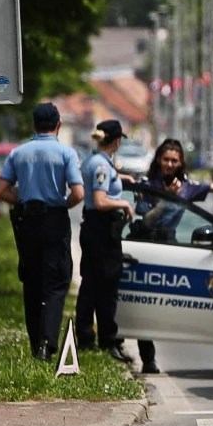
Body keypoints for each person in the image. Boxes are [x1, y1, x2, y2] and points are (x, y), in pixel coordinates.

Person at [133, 138, 213, 374]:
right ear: (159, 159)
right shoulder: (147, 185)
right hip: (147, 244)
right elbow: (145, 220)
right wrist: (165, 199)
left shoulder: (185, 186)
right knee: (146, 305)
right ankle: (148, 358)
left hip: (170, 245)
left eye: (174, 161)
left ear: (180, 164)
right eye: (166, 159)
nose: (169, 164)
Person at [0, 102, 85, 362]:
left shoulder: (18, 153)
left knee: (31, 280)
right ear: (58, 125)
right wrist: (62, 204)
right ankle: (47, 342)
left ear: (34, 125)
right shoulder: (66, 153)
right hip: (54, 221)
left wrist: (21, 199)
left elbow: (1, 191)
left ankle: (35, 344)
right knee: (56, 282)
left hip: (27, 222)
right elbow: (78, 193)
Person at [76, 119, 136, 363]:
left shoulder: (95, 160)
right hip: (102, 229)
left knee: (90, 283)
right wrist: (123, 202)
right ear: (117, 140)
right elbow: (100, 200)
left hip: (92, 228)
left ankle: (87, 338)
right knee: (106, 286)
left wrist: (122, 179)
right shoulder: (102, 165)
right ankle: (107, 341)